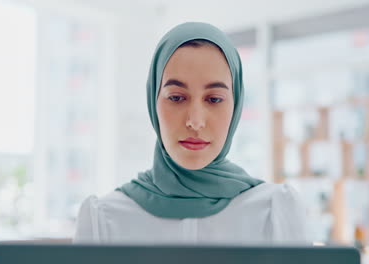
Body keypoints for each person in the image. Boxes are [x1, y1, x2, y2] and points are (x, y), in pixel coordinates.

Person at [73, 22, 308, 244]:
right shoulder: (102, 220)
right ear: (153, 101)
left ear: (235, 107)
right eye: (176, 98)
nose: (195, 122)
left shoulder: (274, 211)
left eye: (214, 99)